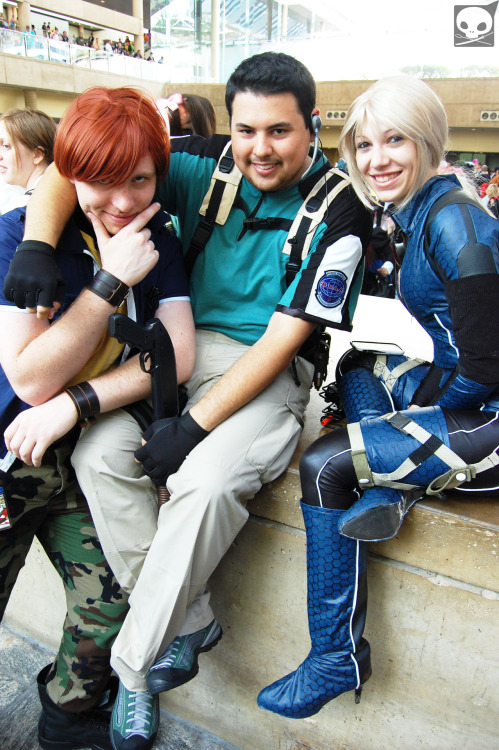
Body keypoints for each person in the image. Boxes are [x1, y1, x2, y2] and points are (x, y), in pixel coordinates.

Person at [3, 52, 372, 750]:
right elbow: (73, 167)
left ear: (310, 125)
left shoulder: (341, 207)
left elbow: (282, 339)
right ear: (228, 125)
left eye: (279, 131)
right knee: (100, 450)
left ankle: (132, 671)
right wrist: (39, 243)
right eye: (246, 129)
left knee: (203, 484)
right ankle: (189, 617)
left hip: (263, 367)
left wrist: (194, 426)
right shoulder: (201, 160)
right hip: (168, 356)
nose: (259, 148)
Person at [256, 75, 499, 720]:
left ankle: (337, 655)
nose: (376, 159)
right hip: (466, 392)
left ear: (428, 142)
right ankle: (394, 477)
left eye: (395, 140)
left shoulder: (456, 226)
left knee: (327, 463)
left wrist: (405, 425)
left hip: (490, 417)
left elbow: (489, 367)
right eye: (364, 145)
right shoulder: (424, 210)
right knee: (359, 367)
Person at [0, 89, 195, 750]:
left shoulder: (152, 236)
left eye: (138, 180)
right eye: (102, 183)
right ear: (70, 173)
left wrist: (75, 405)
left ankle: (69, 721)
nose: (121, 202)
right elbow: (29, 378)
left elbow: (175, 357)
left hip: (79, 452)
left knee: (107, 599)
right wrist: (107, 283)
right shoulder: (22, 236)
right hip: (10, 457)